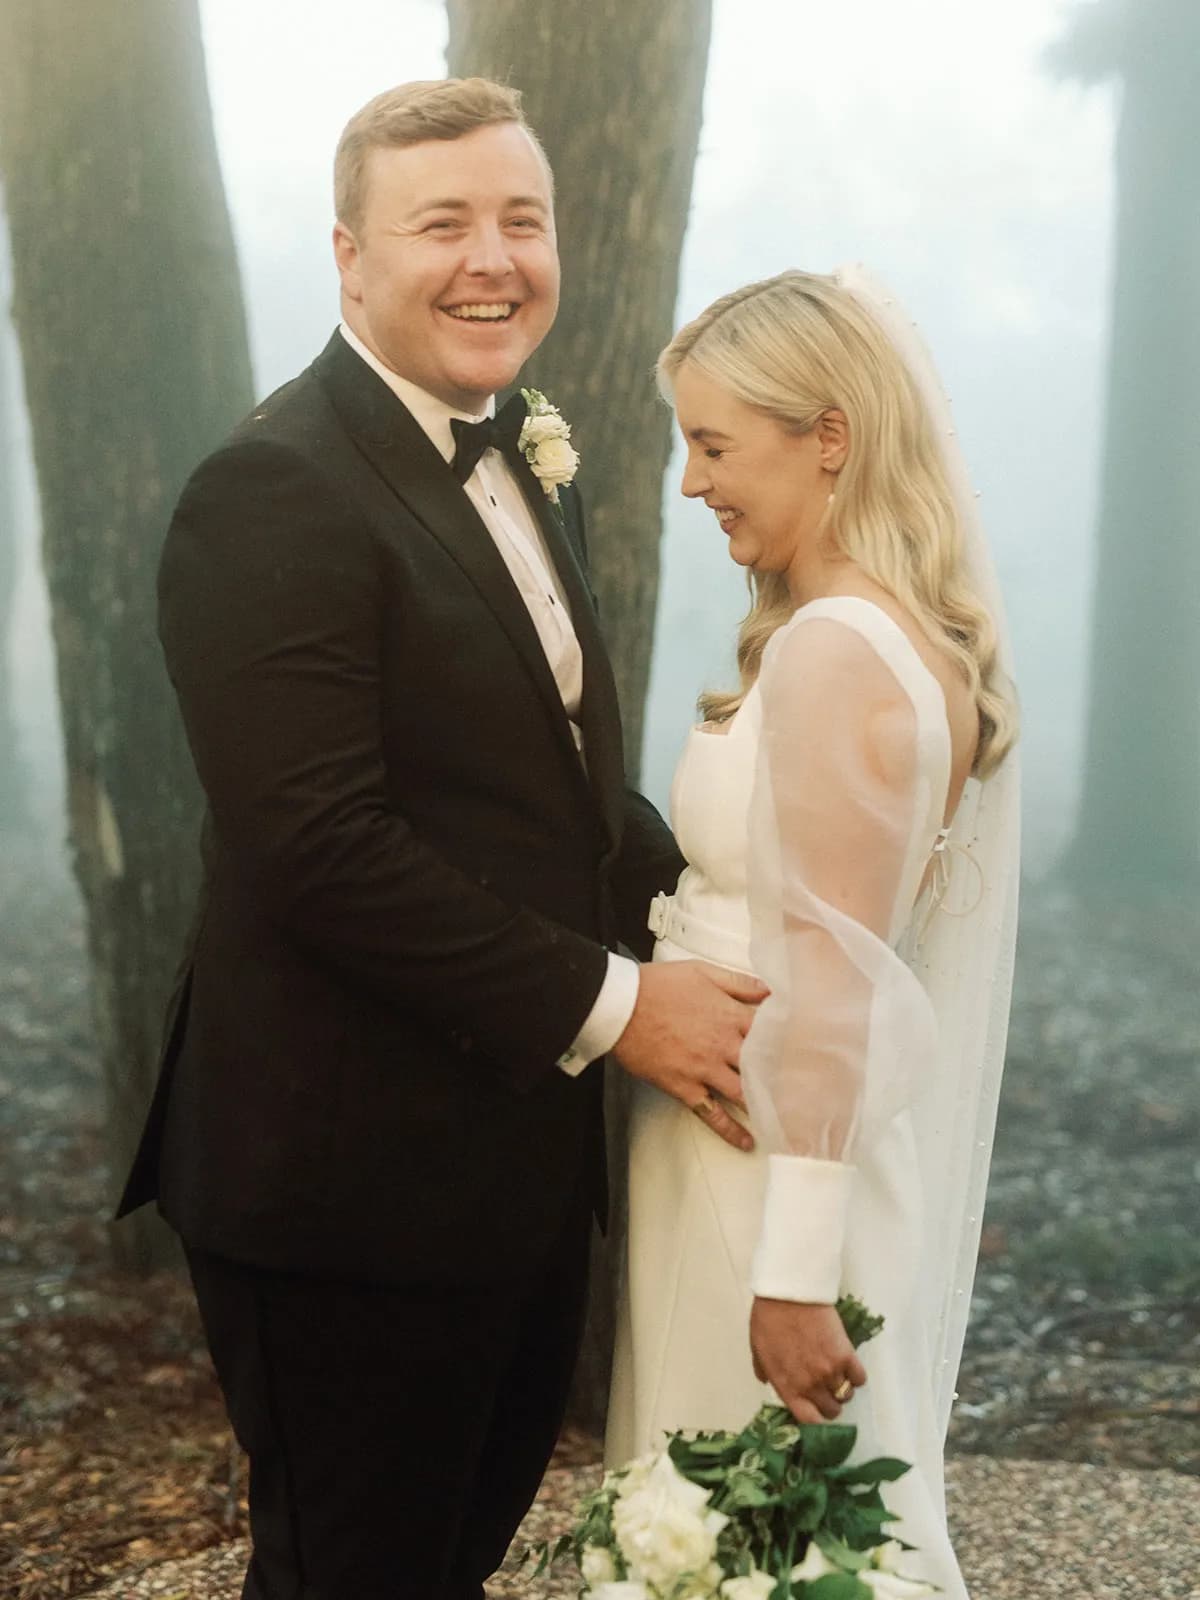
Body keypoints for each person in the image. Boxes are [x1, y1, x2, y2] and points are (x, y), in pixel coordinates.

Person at [116, 78, 768, 1600]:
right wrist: (623, 1011)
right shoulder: (270, 490)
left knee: (446, 1560)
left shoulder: (526, 442)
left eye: (521, 220)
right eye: (443, 224)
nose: (494, 259)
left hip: (509, 1164)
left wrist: (740, 911)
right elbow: (319, 845)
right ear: (349, 257)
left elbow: (552, 792)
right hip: (345, 1178)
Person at [607, 266, 1020, 1600]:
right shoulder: (882, 638)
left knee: (759, 1547)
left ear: (827, 434)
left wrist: (792, 1278)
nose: (692, 483)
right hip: (764, 1146)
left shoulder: (838, 650)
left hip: (768, 1174)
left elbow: (838, 980)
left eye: (714, 445)